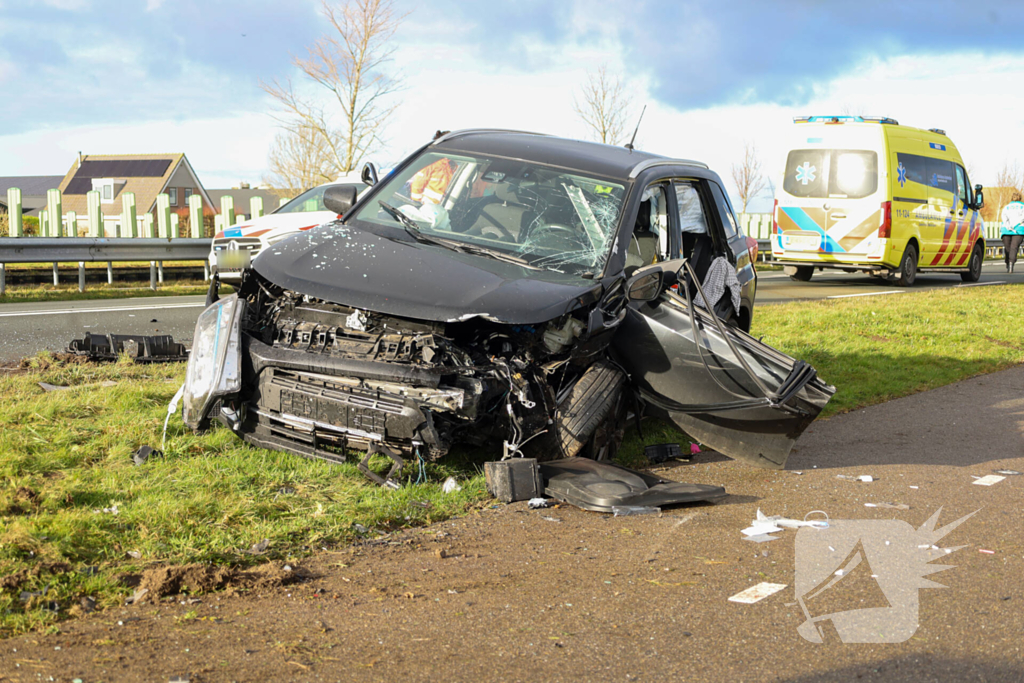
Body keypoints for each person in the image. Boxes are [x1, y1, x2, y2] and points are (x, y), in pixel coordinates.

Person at [1000, 192, 1024, 273]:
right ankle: (1011, 265)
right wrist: (1015, 224)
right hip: (1018, 230)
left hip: (1006, 230)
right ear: (1020, 198)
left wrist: (1008, 225)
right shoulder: (1022, 207)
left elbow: (1003, 217)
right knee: (1014, 247)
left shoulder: (1006, 207)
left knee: (1008, 248)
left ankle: (1008, 263)